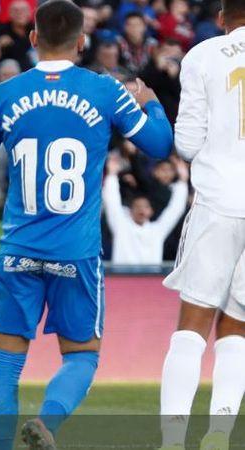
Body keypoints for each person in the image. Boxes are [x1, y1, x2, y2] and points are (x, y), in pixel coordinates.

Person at [0, 2, 173, 449]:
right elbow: (159, 145)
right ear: (82, 41)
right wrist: (152, 106)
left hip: (18, 250)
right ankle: (46, 424)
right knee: (82, 358)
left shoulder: (3, 94)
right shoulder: (105, 90)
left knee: (6, 362)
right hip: (76, 253)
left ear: (33, 39)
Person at [158, 0, 245, 447]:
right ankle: (219, 433)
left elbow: (188, 143)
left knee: (192, 326)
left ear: (223, 19)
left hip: (218, 201)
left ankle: (173, 439)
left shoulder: (204, 55)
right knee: (238, 329)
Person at [103, 154, 188, 265]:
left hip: (149, 281)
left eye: (145, 207)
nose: (141, 210)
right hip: (122, 280)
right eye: (137, 207)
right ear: (130, 210)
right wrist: (112, 175)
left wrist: (183, 180)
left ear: (151, 211)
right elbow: (111, 202)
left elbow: (176, 209)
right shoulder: (121, 226)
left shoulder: (157, 231)